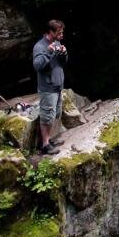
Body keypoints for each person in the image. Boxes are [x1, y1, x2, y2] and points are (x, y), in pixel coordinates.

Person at [32, 19, 68, 155]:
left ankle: (49, 140)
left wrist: (64, 53)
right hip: (47, 88)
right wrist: (48, 51)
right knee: (47, 116)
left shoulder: (57, 43)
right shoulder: (40, 46)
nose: (62, 35)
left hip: (58, 85)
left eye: (62, 32)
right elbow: (37, 66)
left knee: (54, 115)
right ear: (51, 32)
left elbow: (62, 63)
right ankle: (45, 145)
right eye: (59, 32)